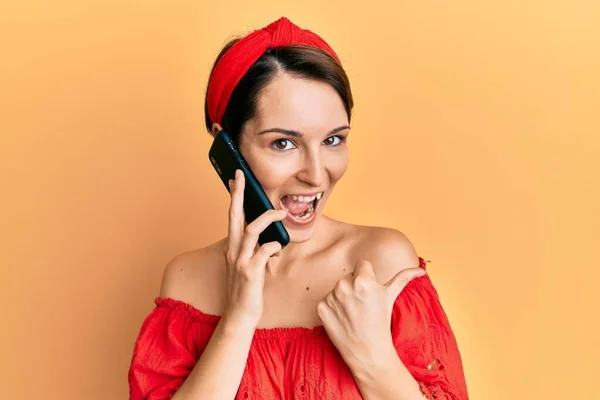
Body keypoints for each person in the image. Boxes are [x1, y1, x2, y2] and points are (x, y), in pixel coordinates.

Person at [128, 16, 469, 400]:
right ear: (229, 149)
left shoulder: (380, 265)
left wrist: (372, 356)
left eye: (333, 139)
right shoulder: (187, 280)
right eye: (283, 144)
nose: (316, 174)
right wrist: (238, 320)